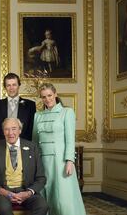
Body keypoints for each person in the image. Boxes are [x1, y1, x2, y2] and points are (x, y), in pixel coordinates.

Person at [32, 83, 86, 215]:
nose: (47, 99)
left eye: (50, 95)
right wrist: (34, 163)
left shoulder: (67, 112)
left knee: (63, 198)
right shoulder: (37, 115)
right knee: (45, 195)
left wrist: (69, 161)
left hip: (61, 162)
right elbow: (34, 141)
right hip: (42, 161)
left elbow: (70, 139)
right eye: (44, 97)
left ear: (55, 94)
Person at [0, 118, 48, 215]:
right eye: (7, 129)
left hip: (25, 190)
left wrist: (28, 193)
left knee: (42, 206)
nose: (10, 133)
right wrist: (4, 192)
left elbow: (41, 177)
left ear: (20, 130)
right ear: (3, 131)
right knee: (4, 209)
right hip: (3, 191)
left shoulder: (32, 147)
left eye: (14, 129)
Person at [0, 73, 36, 142]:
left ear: (19, 86)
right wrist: (0, 145)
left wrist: (24, 144)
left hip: (24, 147)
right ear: (5, 87)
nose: (11, 88)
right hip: (2, 147)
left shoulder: (30, 105)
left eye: (14, 85)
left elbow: (32, 129)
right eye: (8, 85)